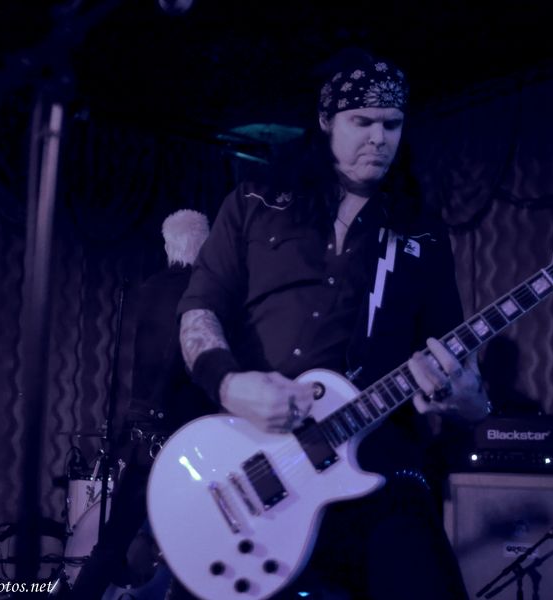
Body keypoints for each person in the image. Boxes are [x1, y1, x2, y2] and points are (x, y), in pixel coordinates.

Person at [176, 49, 490, 599]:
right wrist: (228, 384)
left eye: (392, 124)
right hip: (258, 460)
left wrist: (468, 400)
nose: (379, 138)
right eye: (361, 121)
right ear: (326, 121)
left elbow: (459, 368)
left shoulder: (422, 233)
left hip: (380, 467)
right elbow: (199, 309)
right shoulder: (254, 202)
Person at [67, 209, 211, 600]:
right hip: (183, 435)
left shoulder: (148, 289)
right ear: (207, 246)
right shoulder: (204, 294)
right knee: (197, 545)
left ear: (168, 246)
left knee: (112, 542)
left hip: (141, 432)